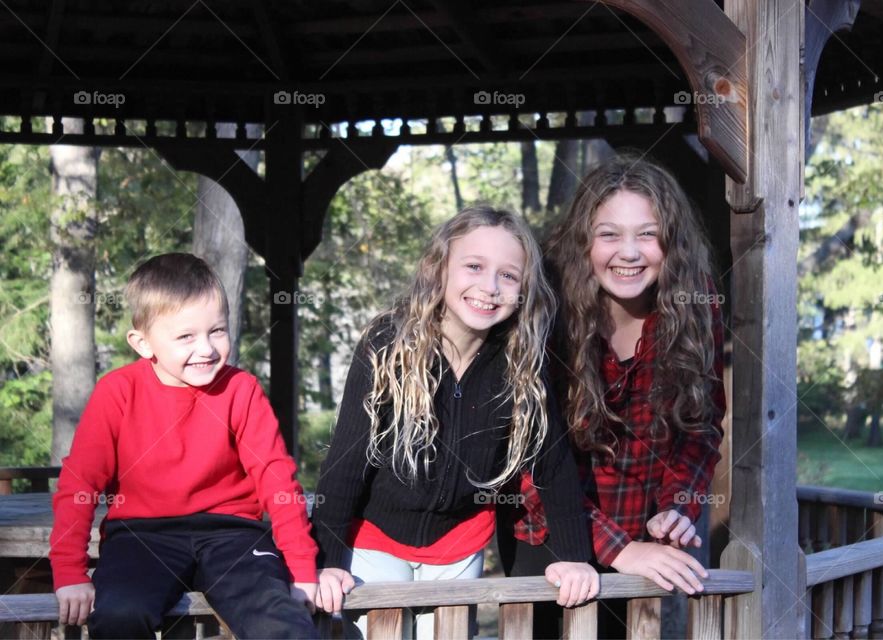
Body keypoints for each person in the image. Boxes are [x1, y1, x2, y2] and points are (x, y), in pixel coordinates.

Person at [312, 206, 599, 639]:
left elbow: (553, 464)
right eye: (474, 266)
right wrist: (327, 561)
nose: (489, 287)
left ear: (524, 289)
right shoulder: (388, 345)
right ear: (439, 267)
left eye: (508, 275)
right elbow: (347, 462)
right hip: (375, 539)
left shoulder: (521, 361)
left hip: (459, 543)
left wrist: (575, 556)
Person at [500, 155, 726, 638]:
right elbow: (523, 455)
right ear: (584, 240)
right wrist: (619, 548)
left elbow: (701, 426)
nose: (628, 252)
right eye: (609, 234)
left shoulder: (694, 304)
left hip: (641, 540)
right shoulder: (547, 309)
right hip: (546, 534)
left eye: (647, 234)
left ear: (672, 242)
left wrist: (677, 507)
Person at [50, 253, 319, 639]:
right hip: (142, 535)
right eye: (186, 337)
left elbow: (277, 479)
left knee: (279, 621)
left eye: (217, 330)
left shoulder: (240, 389)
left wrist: (302, 568)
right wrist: (70, 572)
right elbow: (80, 484)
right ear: (143, 343)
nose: (206, 348)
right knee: (120, 615)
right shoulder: (117, 392)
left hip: (232, 534)